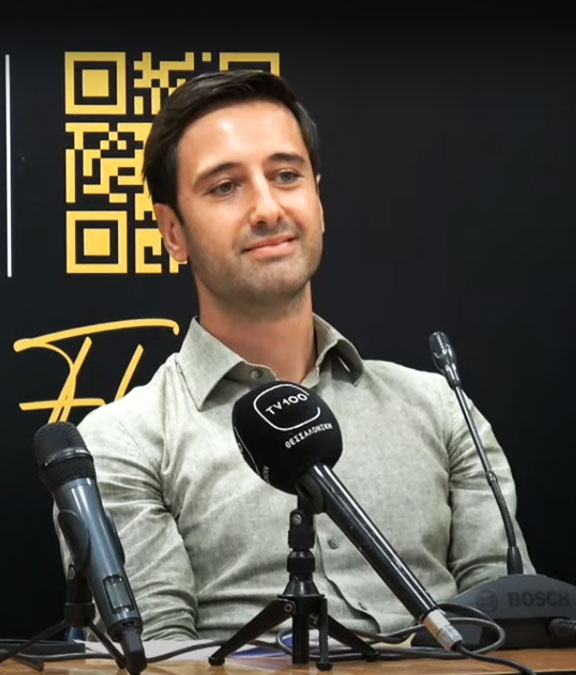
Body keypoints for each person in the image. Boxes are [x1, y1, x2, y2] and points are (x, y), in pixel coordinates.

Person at [69, 69, 533, 641]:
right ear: (173, 232)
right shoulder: (123, 442)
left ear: (318, 197)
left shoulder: (440, 408)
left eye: (286, 176)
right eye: (225, 187)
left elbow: (512, 628)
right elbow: (158, 656)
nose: (267, 209)